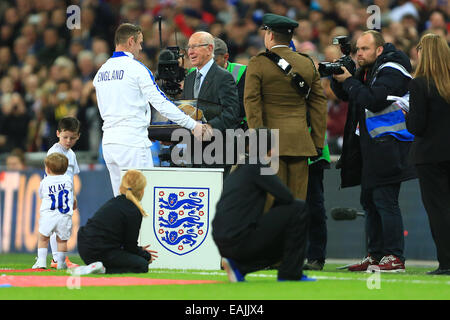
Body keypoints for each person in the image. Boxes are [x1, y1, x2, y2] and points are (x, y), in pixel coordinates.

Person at [331, 30, 416, 272]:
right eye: (357, 49)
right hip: (372, 145)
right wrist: (339, 76)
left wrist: (349, 80)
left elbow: (374, 99)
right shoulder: (370, 69)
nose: (359, 53)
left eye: (364, 49)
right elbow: (348, 96)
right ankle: (376, 255)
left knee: (385, 201)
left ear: (379, 50)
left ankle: (393, 256)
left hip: (389, 145)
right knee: (369, 201)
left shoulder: (392, 68)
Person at [94, 23, 205, 196]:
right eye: (139, 42)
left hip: (109, 143)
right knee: (143, 200)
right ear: (131, 41)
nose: (140, 47)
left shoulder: (101, 72)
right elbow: (161, 103)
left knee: (120, 201)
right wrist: (193, 125)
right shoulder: (136, 69)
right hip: (132, 144)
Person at [244, 13, 327, 201]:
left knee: (271, 202)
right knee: (297, 202)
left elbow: (251, 102)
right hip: (300, 142)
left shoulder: (258, 63)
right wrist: (317, 142)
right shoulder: (306, 63)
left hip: (270, 145)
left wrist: (259, 139)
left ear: (270, 35)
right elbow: (318, 104)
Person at [212, 128, 312, 282]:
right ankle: (290, 274)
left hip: (223, 240)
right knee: (299, 208)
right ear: (271, 151)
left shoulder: (240, 168)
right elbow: (287, 197)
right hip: (239, 240)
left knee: (284, 238)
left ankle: (240, 267)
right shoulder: (258, 166)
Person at [405, 34, 450, 275]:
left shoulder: (420, 84)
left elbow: (416, 126)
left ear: (424, 52)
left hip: (430, 156)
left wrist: (406, 116)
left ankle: (447, 262)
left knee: (438, 210)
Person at [74, 169, 158, 275]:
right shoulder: (133, 210)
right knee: (142, 265)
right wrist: (146, 256)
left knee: (133, 259)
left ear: (121, 187)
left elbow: (121, 242)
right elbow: (130, 247)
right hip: (100, 251)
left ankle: (95, 267)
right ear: (141, 191)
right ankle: (103, 270)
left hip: (85, 247)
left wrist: (139, 250)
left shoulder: (114, 202)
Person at [181, 31, 240, 175]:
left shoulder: (223, 77)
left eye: (195, 47)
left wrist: (209, 128)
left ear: (210, 49)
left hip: (216, 151)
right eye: (189, 47)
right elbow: (187, 110)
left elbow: (231, 113)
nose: (190, 52)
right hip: (192, 152)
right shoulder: (189, 78)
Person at [187, 37, 247, 129]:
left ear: (225, 57)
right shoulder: (192, 74)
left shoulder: (241, 72)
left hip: (234, 129)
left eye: (214, 61)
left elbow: (239, 109)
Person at [46, 117, 81, 269]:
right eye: (65, 137)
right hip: (56, 193)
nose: (68, 141)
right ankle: (57, 259)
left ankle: (58, 258)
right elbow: (52, 175)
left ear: (78, 136)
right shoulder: (54, 152)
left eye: (72, 138)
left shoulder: (71, 154)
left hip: (66, 194)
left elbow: (71, 176)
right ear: (58, 133)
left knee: (63, 227)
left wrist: (72, 195)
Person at [32, 153, 74, 270]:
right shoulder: (68, 180)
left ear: (48, 169)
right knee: (62, 240)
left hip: (49, 215)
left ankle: (41, 262)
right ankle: (61, 263)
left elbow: (41, 195)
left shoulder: (45, 181)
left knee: (43, 238)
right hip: (64, 215)